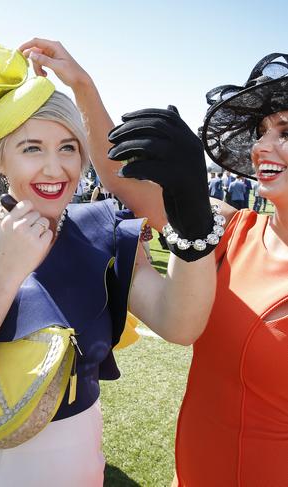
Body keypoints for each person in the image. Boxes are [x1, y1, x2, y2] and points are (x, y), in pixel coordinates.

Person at [0, 39, 216, 487]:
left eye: (68, 147)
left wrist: (192, 215)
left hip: (80, 460)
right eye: (32, 148)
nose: (55, 168)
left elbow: (179, 324)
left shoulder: (103, 228)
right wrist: (4, 273)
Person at [80, 50, 288, 486]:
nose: (263, 147)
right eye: (261, 131)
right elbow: (126, 179)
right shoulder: (231, 230)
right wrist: (81, 85)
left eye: (285, 132)